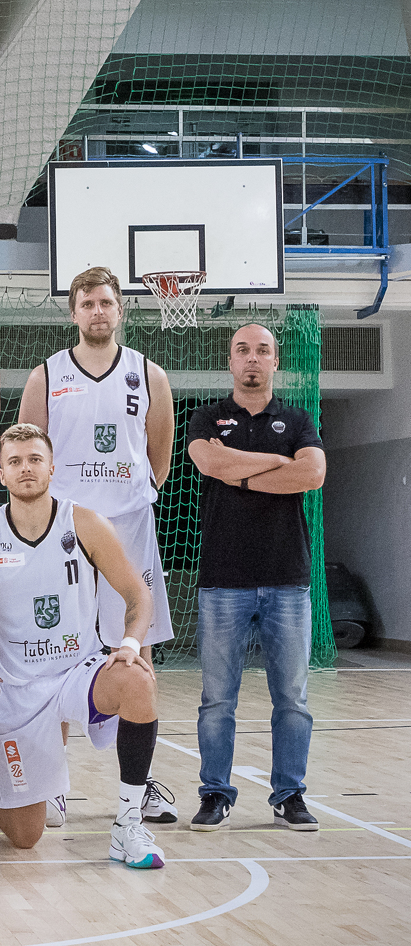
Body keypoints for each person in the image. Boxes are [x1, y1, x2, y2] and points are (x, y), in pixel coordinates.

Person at [0, 423, 166, 868]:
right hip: (16, 691)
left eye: (35, 459)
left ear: (52, 468)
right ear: (1, 474)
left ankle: (128, 824)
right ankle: (27, 793)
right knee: (25, 836)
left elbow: (138, 594)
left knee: (137, 681)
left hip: (77, 673)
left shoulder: (85, 524)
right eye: (15, 462)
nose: (26, 469)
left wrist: (130, 644)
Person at [17, 266, 177, 826]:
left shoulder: (148, 374)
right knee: (56, 652)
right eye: (87, 303)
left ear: (120, 309)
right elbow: (28, 450)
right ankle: (53, 784)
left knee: (138, 651)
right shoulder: (45, 375)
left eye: (106, 302)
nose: (98, 311)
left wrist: (128, 497)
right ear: (73, 313)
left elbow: (159, 455)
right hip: (63, 532)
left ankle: (141, 784)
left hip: (129, 527)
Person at [185, 323, 326, 833]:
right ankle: (215, 794)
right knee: (217, 700)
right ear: (230, 361)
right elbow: (208, 461)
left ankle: (289, 795)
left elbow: (312, 474)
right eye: (242, 350)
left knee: (292, 699)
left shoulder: (299, 419)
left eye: (262, 350)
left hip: (287, 579)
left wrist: (237, 472)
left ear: (274, 361)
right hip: (223, 579)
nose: (252, 358)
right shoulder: (206, 417)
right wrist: (275, 464)